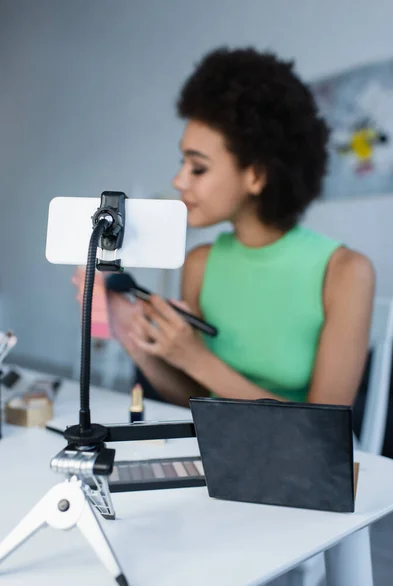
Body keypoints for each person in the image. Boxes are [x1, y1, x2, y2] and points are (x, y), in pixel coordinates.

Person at [74, 47, 374, 408]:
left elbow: (326, 428)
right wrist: (127, 332)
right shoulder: (201, 262)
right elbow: (193, 400)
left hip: (301, 460)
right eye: (181, 163)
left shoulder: (345, 272)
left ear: (257, 175)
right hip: (219, 450)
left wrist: (196, 357)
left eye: (197, 168)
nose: (178, 180)